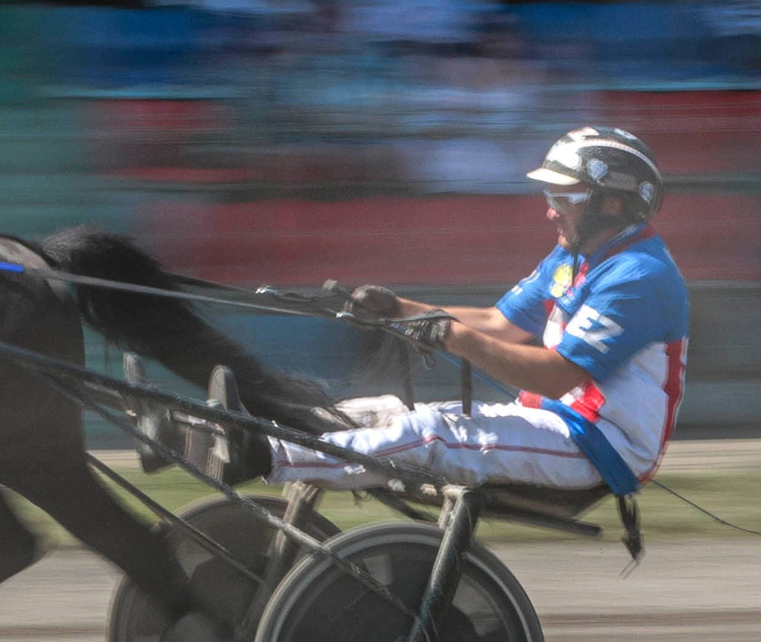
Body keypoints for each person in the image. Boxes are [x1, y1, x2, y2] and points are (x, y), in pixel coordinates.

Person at [161, 128, 688, 498]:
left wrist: (450, 334)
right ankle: (196, 429)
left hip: (603, 447)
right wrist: (400, 310)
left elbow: (554, 376)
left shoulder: (638, 277)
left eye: (564, 195)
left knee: (432, 434)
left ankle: (263, 455)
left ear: (613, 203)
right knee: (386, 414)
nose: (549, 208)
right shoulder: (576, 255)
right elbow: (501, 324)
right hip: (555, 424)